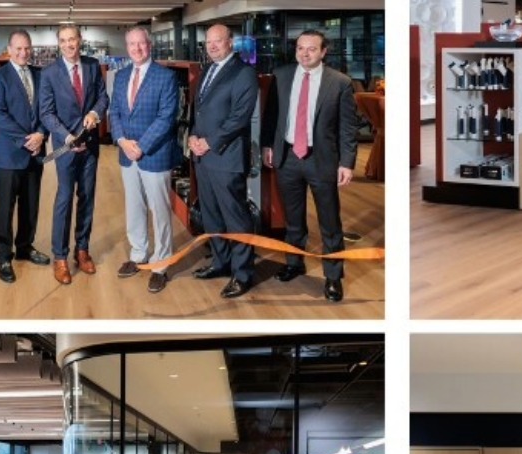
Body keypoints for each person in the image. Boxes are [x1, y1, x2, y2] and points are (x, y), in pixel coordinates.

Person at [263, 30, 358, 303]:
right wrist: (268, 146)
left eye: (312, 49)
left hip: (322, 160)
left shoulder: (339, 82)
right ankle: (294, 264)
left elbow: (347, 128)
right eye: (300, 48)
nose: (305, 54)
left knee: (330, 222)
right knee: (293, 219)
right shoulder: (281, 76)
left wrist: (347, 163)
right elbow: (272, 116)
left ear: (324, 51)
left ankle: (333, 277)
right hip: (288, 156)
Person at [188, 24, 258, 299]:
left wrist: (210, 142)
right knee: (212, 216)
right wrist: (193, 136)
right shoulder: (207, 70)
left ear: (231, 42)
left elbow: (239, 117)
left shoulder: (243, 73)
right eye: (209, 42)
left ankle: (242, 275)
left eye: (218, 41)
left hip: (226, 157)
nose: (213, 46)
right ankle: (221, 262)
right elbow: (201, 112)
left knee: (236, 218)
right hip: (203, 158)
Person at [110, 26, 180, 294]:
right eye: (131, 44)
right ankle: (139, 253)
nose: (137, 48)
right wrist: (120, 140)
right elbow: (115, 110)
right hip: (127, 153)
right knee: (134, 206)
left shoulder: (166, 77)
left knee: (159, 210)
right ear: (126, 47)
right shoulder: (121, 75)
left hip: (154, 154)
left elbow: (166, 117)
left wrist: (142, 146)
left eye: (141, 44)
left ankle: (161, 263)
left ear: (149, 45)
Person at [39, 23, 109, 285]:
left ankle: (82, 250)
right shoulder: (49, 73)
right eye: (64, 41)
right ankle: (60, 257)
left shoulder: (92, 65)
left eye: (73, 39)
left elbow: (103, 98)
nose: (70, 44)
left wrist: (94, 113)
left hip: (90, 145)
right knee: (64, 199)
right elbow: (46, 112)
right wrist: (67, 137)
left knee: (87, 197)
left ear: (81, 40)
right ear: (59, 44)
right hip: (65, 146)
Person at [0, 29, 51, 284]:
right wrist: (29, 140)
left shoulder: (40, 75)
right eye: (18, 49)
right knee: (6, 207)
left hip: (35, 153)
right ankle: (4, 255)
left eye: (27, 48)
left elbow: (47, 110)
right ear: (9, 50)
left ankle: (25, 247)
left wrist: (42, 134)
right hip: (8, 155)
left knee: (31, 204)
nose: (24, 53)